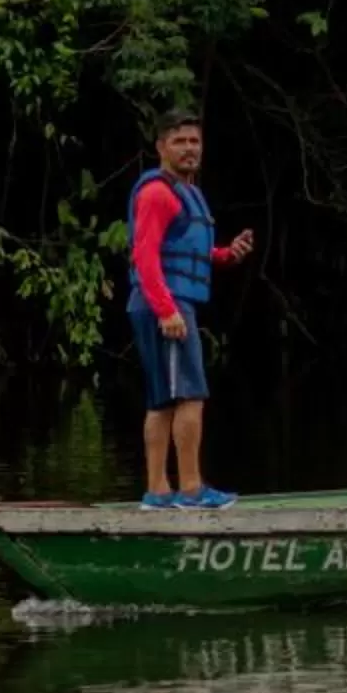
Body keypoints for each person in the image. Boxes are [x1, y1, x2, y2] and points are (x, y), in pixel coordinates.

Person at [128, 110, 257, 509]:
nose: (189, 149)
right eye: (179, 141)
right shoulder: (158, 193)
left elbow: (184, 249)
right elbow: (145, 256)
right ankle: (190, 490)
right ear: (161, 147)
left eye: (194, 141)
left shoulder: (186, 192)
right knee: (189, 395)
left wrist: (225, 255)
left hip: (164, 302)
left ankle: (158, 493)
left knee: (164, 400)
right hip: (165, 303)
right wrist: (167, 310)